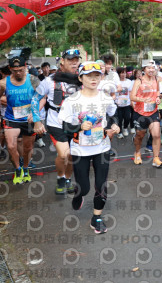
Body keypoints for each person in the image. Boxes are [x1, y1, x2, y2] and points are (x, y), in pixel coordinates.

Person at [58, 61, 120, 234]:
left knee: (101, 185)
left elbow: (114, 114)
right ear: (80, 78)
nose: (93, 79)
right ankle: (79, 194)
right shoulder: (72, 100)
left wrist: (115, 125)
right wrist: (79, 127)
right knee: (84, 187)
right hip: (80, 149)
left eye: (97, 76)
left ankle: (96, 218)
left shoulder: (105, 97)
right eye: (89, 76)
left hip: (102, 147)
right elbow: (64, 126)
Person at [31, 49, 81, 194]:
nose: (74, 63)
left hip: (76, 123)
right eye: (70, 59)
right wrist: (37, 121)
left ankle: (68, 178)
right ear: (62, 61)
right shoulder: (49, 81)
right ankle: (60, 177)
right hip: (56, 122)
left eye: (76, 60)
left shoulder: (82, 79)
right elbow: (35, 99)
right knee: (64, 154)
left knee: (72, 155)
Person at [0, 56, 39, 185]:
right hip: (11, 118)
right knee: (11, 146)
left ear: (25, 67)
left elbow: (42, 97)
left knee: (28, 148)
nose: (18, 73)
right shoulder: (3, 83)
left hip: (28, 120)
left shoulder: (33, 80)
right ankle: (18, 169)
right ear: (10, 69)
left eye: (21, 70)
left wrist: (35, 114)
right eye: (15, 71)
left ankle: (26, 168)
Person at [129, 60, 162, 167]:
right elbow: (132, 97)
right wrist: (143, 100)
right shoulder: (139, 81)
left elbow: (158, 92)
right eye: (149, 68)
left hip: (153, 112)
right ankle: (137, 152)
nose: (151, 70)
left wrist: (158, 98)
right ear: (144, 69)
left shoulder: (157, 79)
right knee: (140, 135)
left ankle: (156, 158)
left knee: (156, 135)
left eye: (153, 68)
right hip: (140, 113)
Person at [115, 67, 134, 138]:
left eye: (124, 73)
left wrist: (131, 101)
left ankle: (125, 128)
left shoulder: (129, 82)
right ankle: (119, 132)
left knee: (127, 118)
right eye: (121, 73)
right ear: (118, 74)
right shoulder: (116, 82)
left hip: (127, 104)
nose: (123, 74)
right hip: (118, 105)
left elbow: (130, 92)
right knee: (119, 119)